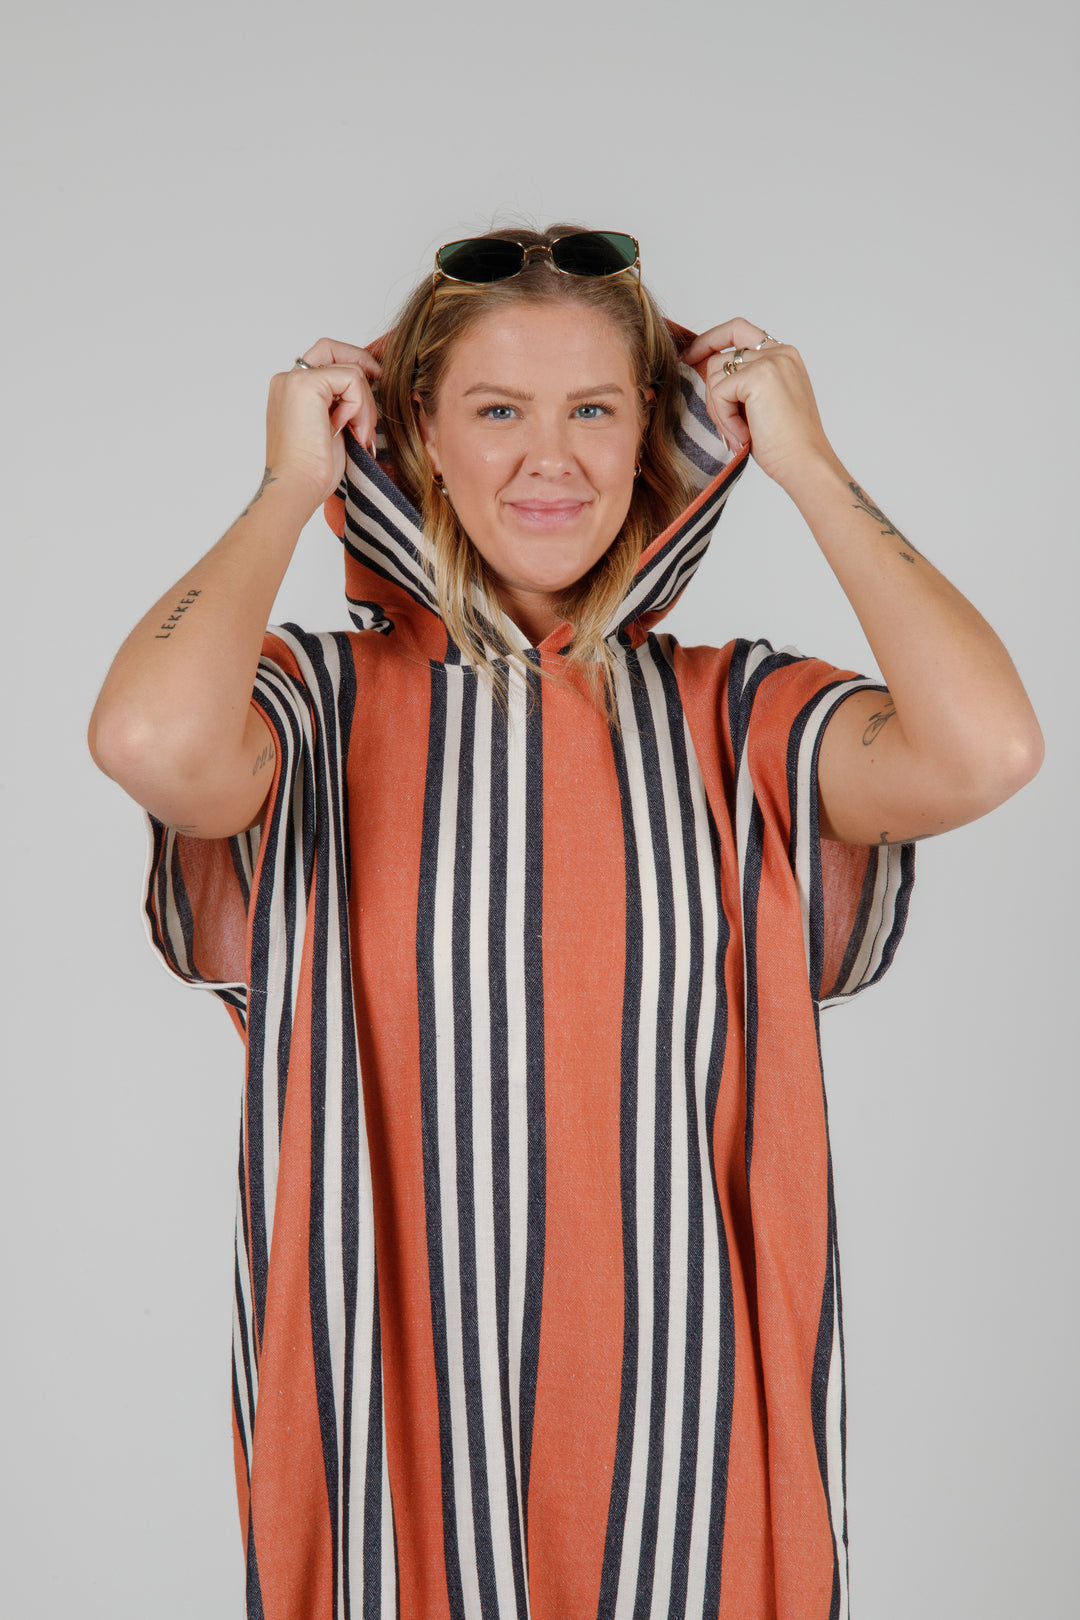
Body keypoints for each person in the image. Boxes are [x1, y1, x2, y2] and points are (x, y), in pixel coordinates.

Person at [88, 225, 1042, 1620]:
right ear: (418, 429)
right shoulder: (305, 703)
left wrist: (811, 467)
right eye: (497, 410)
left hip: (693, 1469)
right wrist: (293, 480)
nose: (554, 457)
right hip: (390, 1467)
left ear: (653, 434)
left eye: (595, 408)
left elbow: (988, 750)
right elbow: (146, 735)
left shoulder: (738, 716)